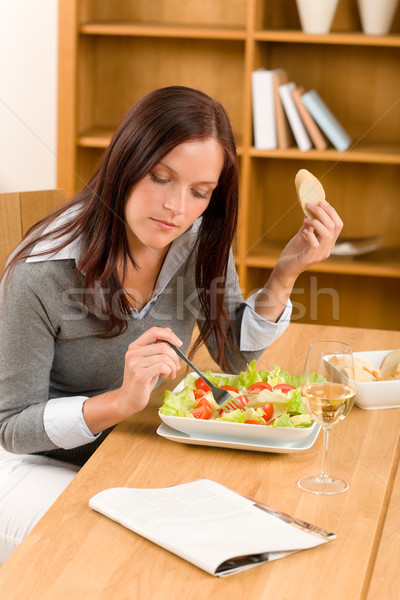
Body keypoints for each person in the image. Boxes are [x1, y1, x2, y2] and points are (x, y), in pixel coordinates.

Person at [0, 85, 343, 562]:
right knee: (123, 553)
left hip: (131, 450)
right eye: (161, 178)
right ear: (125, 164)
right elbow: (12, 426)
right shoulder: (40, 272)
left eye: (199, 192)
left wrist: (286, 273)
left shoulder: (199, 240)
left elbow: (233, 355)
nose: (176, 208)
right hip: (34, 464)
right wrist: (119, 401)